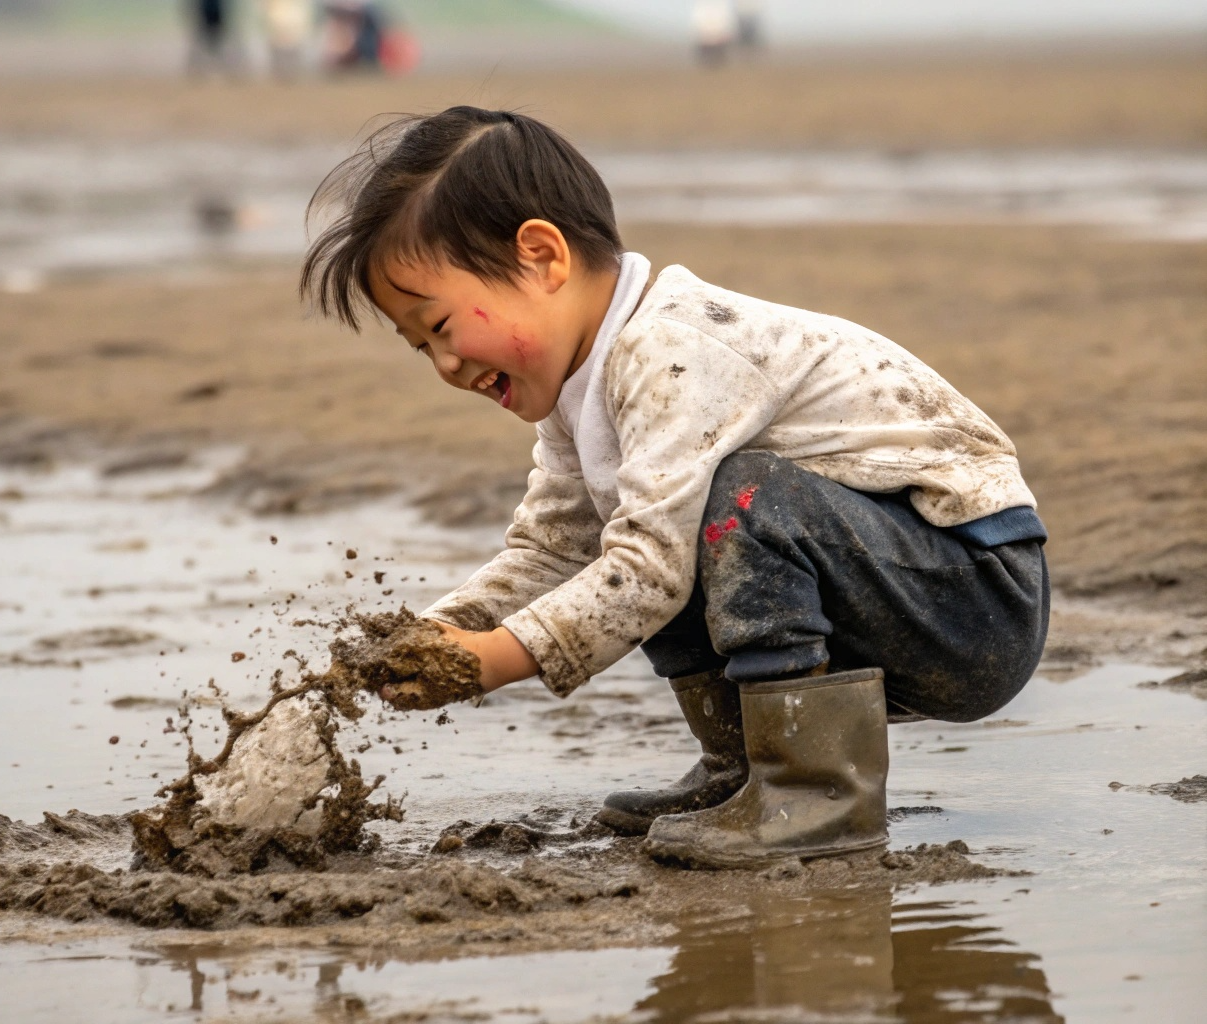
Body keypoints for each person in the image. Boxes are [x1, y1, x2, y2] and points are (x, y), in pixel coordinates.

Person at [298, 108, 1049, 870]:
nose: (445, 366)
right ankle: (742, 769)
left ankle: (816, 792)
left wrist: (493, 659)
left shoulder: (673, 350)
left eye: (442, 326)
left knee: (728, 504)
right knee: (650, 516)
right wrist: (438, 633)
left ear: (540, 257)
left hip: (972, 601)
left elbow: (648, 570)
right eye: (420, 346)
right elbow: (551, 550)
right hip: (885, 579)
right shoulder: (578, 391)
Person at [264, 0, 313, 79]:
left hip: (293, 29)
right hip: (278, 27)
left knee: (291, 56)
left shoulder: (296, 9)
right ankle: (280, 73)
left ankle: (291, 73)